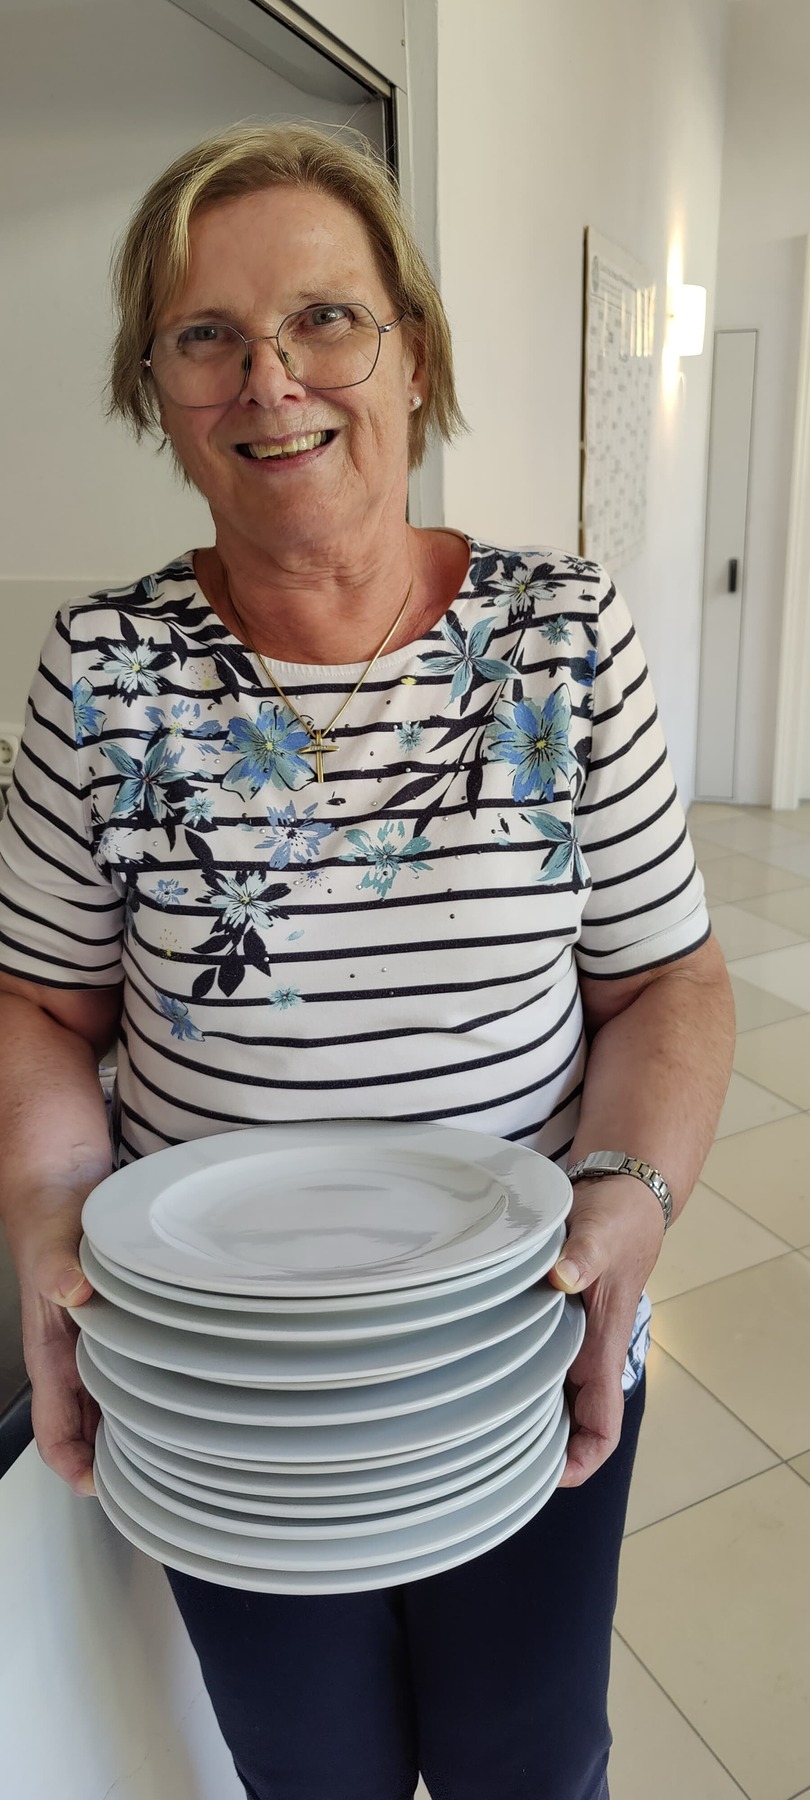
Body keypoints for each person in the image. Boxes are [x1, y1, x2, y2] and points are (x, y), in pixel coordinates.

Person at [0, 124, 734, 1800]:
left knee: (528, 1760)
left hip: (519, 1327)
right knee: (306, 1768)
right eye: (204, 334)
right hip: (227, 1371)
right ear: (157, 389)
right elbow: (39, 1007)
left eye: (324, 317)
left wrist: (630, 1200)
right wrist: (48, 1223)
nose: (270, 380)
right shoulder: (102, 667)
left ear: (413, 352)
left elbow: (663, 985)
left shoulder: (563, 636)